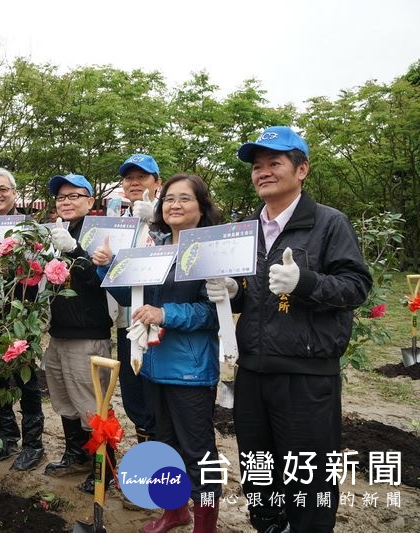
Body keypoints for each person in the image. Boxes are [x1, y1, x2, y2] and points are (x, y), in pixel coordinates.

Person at [209, 126, 372, 533]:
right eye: (257, 166)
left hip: (305, 374)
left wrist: (308, 283)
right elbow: (255, 293)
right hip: (253, 372)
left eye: (274, 163)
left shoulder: (328, 223)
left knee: (308, 478)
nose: (263, 171)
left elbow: (357, 287)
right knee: (258, 471)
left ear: (302, 170)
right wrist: (233, 292)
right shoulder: (246, 229)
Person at [95, 174, 223, 532]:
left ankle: (206, 523)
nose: (175, 205)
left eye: (185, 199)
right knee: (165, 445)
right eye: (169, 199)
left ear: (201, 207)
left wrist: (166, 314)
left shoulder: (208, 252)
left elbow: (212, 313)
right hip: (151, 364)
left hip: (190, 369)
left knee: (200, 452)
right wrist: (106, 267)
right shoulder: (154, 247)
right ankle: (174, 510)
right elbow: (133, 301)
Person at [44, 174, 113, 493]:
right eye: (61, 197)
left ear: (90, 201)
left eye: (74, 196)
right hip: (58, 333)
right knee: (64, 402)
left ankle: (105, 467)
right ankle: (77, 454)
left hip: (88, 334)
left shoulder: (102, 234)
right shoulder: (55, 234)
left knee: (91, 405)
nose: (66, 202)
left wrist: (74, 250)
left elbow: (100, 279)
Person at [0, 168, 46, 471]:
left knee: (26, 381)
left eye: (2, 189)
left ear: (15, 192)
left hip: (23, 315)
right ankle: (7, 438)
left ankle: (33, 444)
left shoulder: (30, 227)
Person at [115, 154, 163, 445]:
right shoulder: (120, 222)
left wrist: (156, 221)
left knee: (158, 393)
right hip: (127, 321)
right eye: (129, 178)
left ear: (157, 183)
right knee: (134, 394)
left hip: (161, 320)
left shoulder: (169, 215)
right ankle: (147, 457)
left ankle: (170, 463)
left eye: (142, 177)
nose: (135, 183)